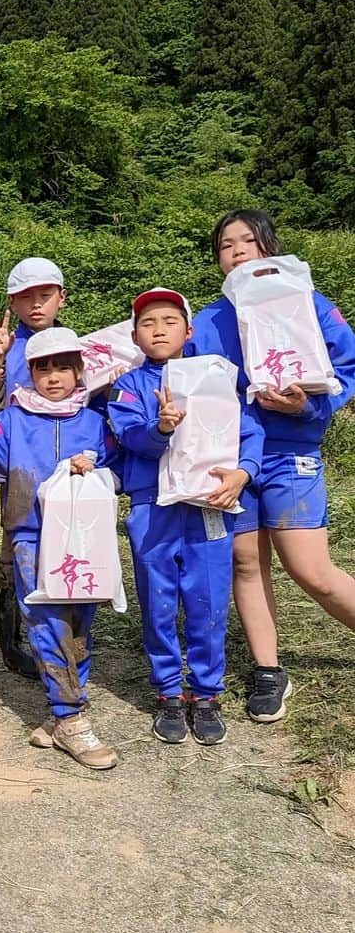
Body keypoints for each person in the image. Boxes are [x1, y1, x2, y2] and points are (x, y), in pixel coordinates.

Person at [188, 210, 355, 722]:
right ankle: (268, 669)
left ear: (269, 248)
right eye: (225, 245)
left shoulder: (307, 305)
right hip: (231, 458)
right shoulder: (208, 319)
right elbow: (185, 375)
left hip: (290, 455)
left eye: (247, 240)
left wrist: (306, 406)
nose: (236, 250)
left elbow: (346, 369)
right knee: (245, 562)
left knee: (311, 570)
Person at [0, 328, 118, 769]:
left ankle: (61, 708)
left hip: (85, 540)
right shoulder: (14, 419)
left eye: (63, 367)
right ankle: (71, 717)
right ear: (30, 372)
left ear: (79, 371)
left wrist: (97, 466)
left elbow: (120, 468)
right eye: (42, 367)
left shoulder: (96, 421)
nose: (53, 376)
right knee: (47, 622)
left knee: (80, 622)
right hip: (31, 535)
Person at [108, 289, 263, 745]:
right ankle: (169, 692)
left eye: (170, 321)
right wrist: (161, 427)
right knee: (157, 601)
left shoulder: (215, 378)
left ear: (189, 332)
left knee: (209, 600)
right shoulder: (131, 385)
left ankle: (207, 693)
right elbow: (128, 435)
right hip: (152, 507)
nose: (159, 329)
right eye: (148, 322)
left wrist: (243, 472)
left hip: (209, 507)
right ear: (134, 336)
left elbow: (248, 430)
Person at [0, 258, 68, 680]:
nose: (37, 305)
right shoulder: (3, 347)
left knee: (65, 543)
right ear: (13, 303)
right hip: (20, 466)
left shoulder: (73, 347)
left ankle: (64, 626)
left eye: (45, 296)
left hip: (66, 465)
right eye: (26, 297)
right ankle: (14, 642)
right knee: (15, 545)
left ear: (61, 298)